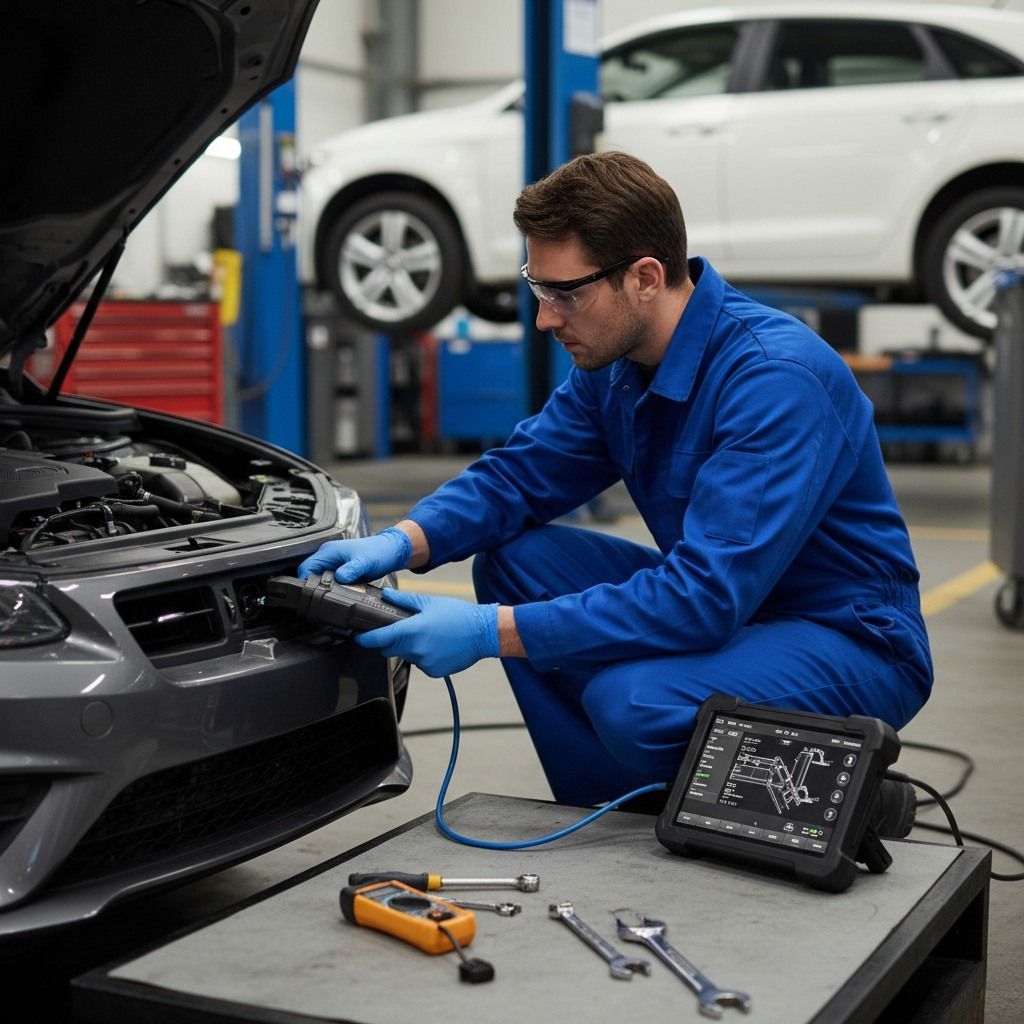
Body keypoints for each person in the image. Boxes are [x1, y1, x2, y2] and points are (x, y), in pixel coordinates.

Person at [299, 151, 933, 810]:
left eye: (565, 293)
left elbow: (705, 598)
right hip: (741, 609)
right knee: (519, 562)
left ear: (646, 278)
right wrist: (404, 541)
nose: (546, 318)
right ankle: (616, 811)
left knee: (634, 704)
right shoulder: (617, 366)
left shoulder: (776, 380)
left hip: (849, 639)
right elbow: (520, 475)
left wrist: (490, 633)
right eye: (537, 287)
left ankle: (837, 795)